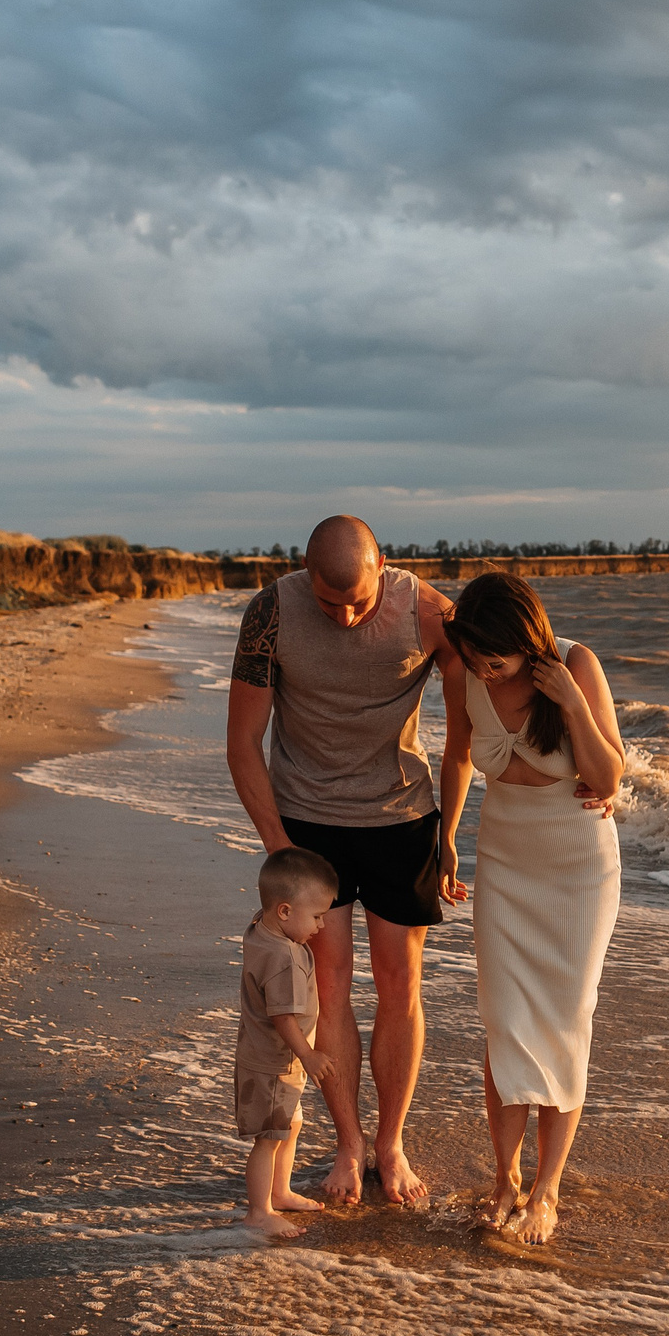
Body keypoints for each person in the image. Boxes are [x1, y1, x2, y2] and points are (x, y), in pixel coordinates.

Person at [226, 515, 471, 1206]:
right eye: (329, 602)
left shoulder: (429, 613)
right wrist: (283, 850)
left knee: (401, 982)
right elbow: (243, 742)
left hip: (402, 818)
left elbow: (462, 739)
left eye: (357, 600)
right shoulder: (271, 611)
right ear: (305, 574)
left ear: (383, 564)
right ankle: (347, 1142)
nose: (344, 614)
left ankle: (390, 1144)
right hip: (308, 822)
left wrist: (450, 831)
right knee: (327, 987)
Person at [440, 572, 625, 1245]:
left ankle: (547, 1187)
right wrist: (446, 839)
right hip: (505, 862)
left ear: (530, 642)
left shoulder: (576, 664)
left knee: (565, 1020)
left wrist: (572, 702)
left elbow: (608, 778)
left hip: (578, 870)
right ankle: (504, 1178)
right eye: (478, 658)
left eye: (499, 661)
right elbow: (460, 752)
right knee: (505, 1022)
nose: (486, 672)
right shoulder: (464, 671)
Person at [235, 846, 342, 1237]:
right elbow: (283, 1016)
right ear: (284, 911)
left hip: (261, 1054)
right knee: (268, 1138)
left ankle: (279, 1191)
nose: (321, 926)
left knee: (288, 1125)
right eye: (316, 916)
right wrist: (309, 1054)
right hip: (276, 1062)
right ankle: (259, 1212)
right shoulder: (285, 958)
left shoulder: (259, 930)